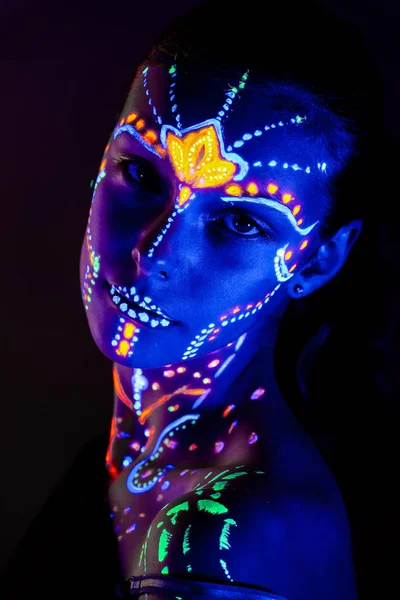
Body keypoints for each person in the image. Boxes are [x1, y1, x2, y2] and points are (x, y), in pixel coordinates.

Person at [76, 0, 387, 597]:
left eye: (243, 222)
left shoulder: (218, 538)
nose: (156, 252)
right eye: (141, 175)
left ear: (319, 259)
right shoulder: (129, 460)